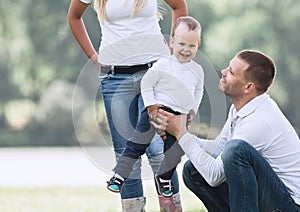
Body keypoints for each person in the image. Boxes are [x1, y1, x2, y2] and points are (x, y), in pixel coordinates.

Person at [68, 0, 187, 211]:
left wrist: (175, 49)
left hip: (155, 74)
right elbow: (74, 17)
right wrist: (93, 56)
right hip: (115, 80)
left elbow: (179, 6)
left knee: (160, 150)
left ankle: (172, 208)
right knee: (126, 156)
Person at [151, 49, 300, 211]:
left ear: (248, 87)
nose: (223, 72)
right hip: (269, 198)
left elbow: (215, 176)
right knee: (193, 171)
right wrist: (179, 135)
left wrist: (182, 134)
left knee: (236, 150)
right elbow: (218, 149)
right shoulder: (241, 108)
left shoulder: (259, 121)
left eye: (231, 72)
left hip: (288, 206)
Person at [106, 16, 204, 198]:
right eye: (182, 44)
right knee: (137, 144)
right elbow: (147, 84)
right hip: (156, 111)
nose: (186, 50)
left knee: (175, 150)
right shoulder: (163, 64)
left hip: (179, 116)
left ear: (198, 45)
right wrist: (151, 106)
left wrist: (192, 111)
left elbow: (198, 91)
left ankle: (164, 177)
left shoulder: (197, 70)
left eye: (192, 46)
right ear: (172, 42)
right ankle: (120, 175)